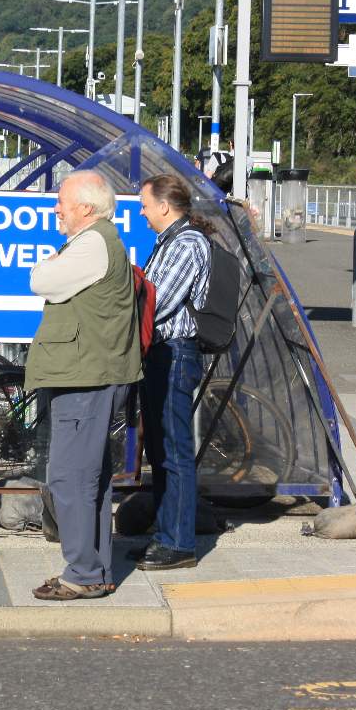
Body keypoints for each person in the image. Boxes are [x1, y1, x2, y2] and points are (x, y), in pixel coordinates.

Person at [27, 171, 141, 601]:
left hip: (85, 375)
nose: (56, 208)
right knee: (89, 477)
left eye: (62, 202)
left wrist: (48, 266)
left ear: (86, 209)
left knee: (70, 477)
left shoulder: (92, 242)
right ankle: (95, 569)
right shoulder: (101, 241)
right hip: (93, 373)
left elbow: (41, 280)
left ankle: (83, 572)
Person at [133, 174, 212, 571]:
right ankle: (164, 535)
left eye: (145, 205)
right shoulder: (168, 241)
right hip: (159, 352)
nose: (143, 213)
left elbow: (157, 301)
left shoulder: (187, 243)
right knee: (161, 450)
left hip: (175, 353)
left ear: (164, 206)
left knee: (175, 450)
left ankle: (179, 542)